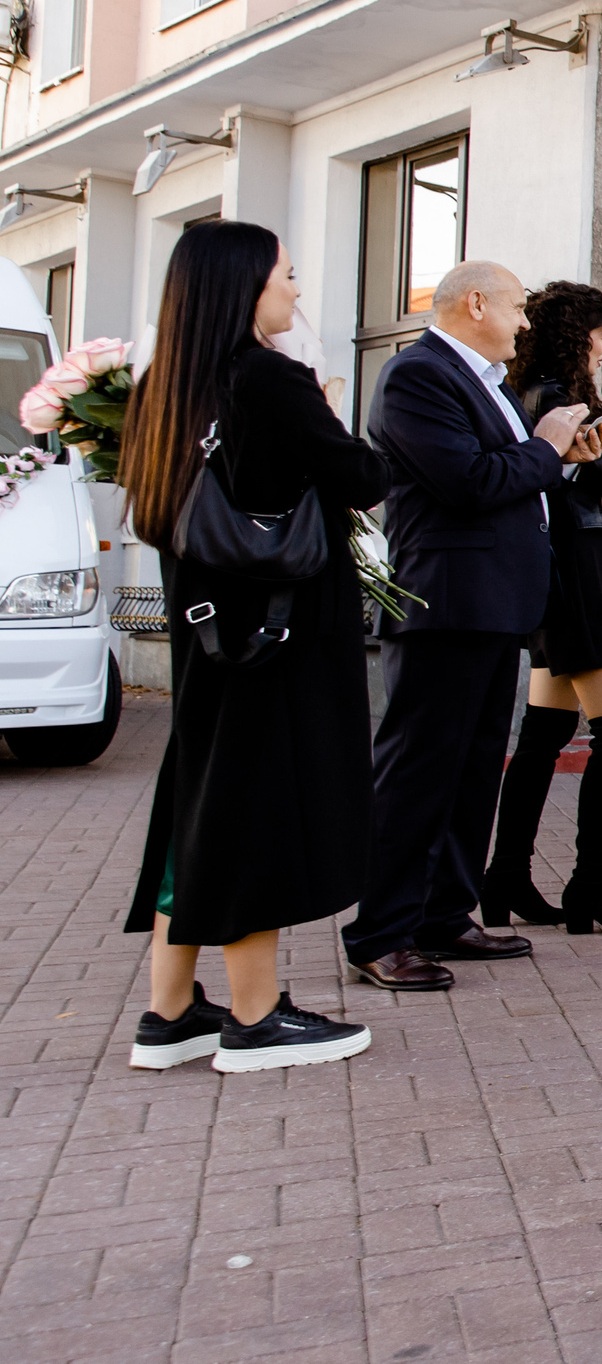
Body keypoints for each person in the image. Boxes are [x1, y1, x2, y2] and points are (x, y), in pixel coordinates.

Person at [120, 221, 381, 1070]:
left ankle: (169, 1011)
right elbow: (363, 478)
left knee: (199, 803)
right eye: (288, 276)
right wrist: (328, 414)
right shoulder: (269, 379)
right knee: (254, 806)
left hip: (206, 631)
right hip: (280, 632)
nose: (296, 292)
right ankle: (257, 1015)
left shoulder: (163, 387)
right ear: (245, 287)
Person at [345, 261, 602, 992]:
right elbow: (468, 482)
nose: (526, 323)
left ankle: (444, 914)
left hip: (494, 604)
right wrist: (545, 447)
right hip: (446, 605)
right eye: (519, 307)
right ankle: (380, 932)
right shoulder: (417, 376)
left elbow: (511, 472)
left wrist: (558, 458)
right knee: (418, 773)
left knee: (471, 770)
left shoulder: (483, 382)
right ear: (476, 303)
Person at [484, 282, 602, 938]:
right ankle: (590, 882)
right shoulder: (558, 398)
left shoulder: (533, 391)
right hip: (582, 567)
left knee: (542, 733)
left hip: (568, 565)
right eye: (600, 332)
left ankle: (507, 873)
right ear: (578, 335)